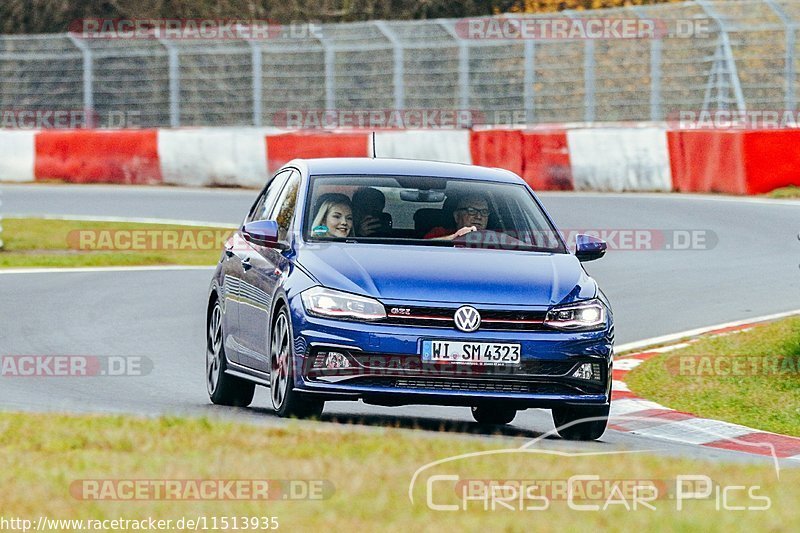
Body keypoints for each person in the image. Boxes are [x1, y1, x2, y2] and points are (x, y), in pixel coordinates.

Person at [424, 194, 491, 240]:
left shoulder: (496, 234)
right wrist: (456, 236)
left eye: (484, 212)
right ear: (456, 216)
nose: (479, 216)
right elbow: (424, 248)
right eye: (471, 211)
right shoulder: (439, 233)